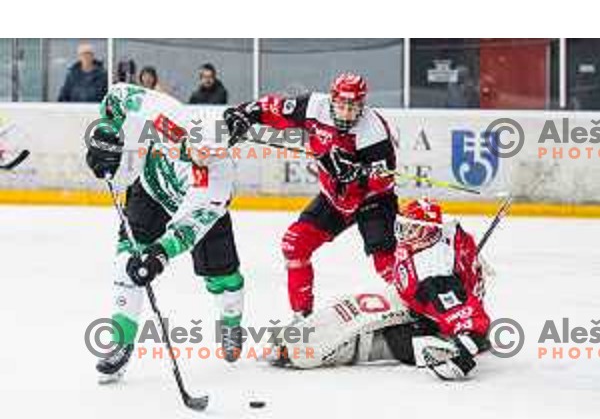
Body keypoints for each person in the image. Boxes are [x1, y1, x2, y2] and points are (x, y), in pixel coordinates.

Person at [85, 83, 244, 382]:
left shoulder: (220, 180)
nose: (203, 158)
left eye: (210, 154)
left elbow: (187, 231)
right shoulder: (164, 114)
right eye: (199, 150)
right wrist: (104, 134)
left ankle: (232, 319)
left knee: (222, 278)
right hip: (150, 190)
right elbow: (114, 98)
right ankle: (121, 341)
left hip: (196, 215)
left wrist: (158, 256)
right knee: (126, 264)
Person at [224, 73, 397, 320]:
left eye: (354, 106)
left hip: (372, 201)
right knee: (294, 245)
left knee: (387, 264)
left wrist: (355, 173)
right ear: (332, 99)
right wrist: (244, 114)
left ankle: (420, 308)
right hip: (334, 200)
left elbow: (384, 179)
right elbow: (272, 107)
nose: (347, 112)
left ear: (362, 104)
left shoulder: (374, 130)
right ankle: (302, 319)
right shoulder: (314, 107)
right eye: (342, 105)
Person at [273, 198, 491, 380]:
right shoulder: (441, 233)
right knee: (354, 307)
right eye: (404, 226)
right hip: (414, 297)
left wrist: (465, 351)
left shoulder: (434, 275)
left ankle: (307, 350)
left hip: (432, 312)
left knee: (396, 339)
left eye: (413, 229)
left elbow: (471, 319)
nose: (406, 233)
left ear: (429, 232)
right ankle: (303, 336)